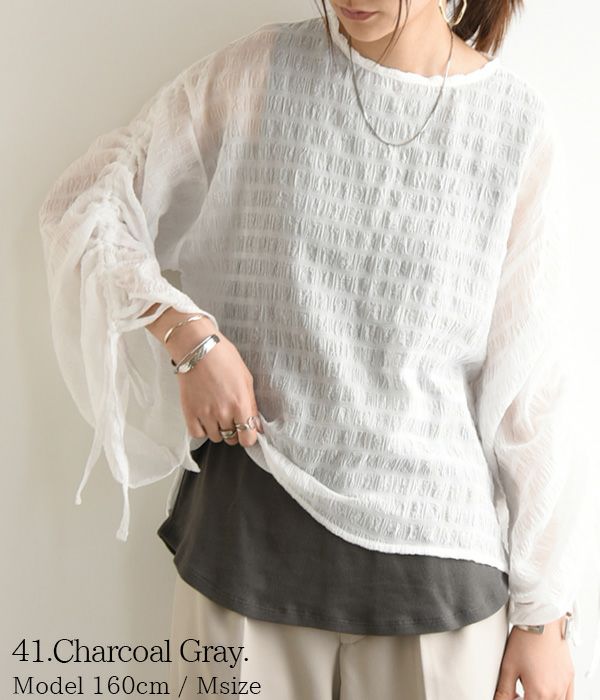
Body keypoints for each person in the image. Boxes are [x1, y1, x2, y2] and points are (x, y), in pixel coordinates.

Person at [37, 1, 599, 698]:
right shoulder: (259, 73)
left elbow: (532, 390)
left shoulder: (516, 126)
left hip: (437, 575)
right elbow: (87, 200)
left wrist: (544, 617)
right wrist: (189, 337)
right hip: (245, 549)